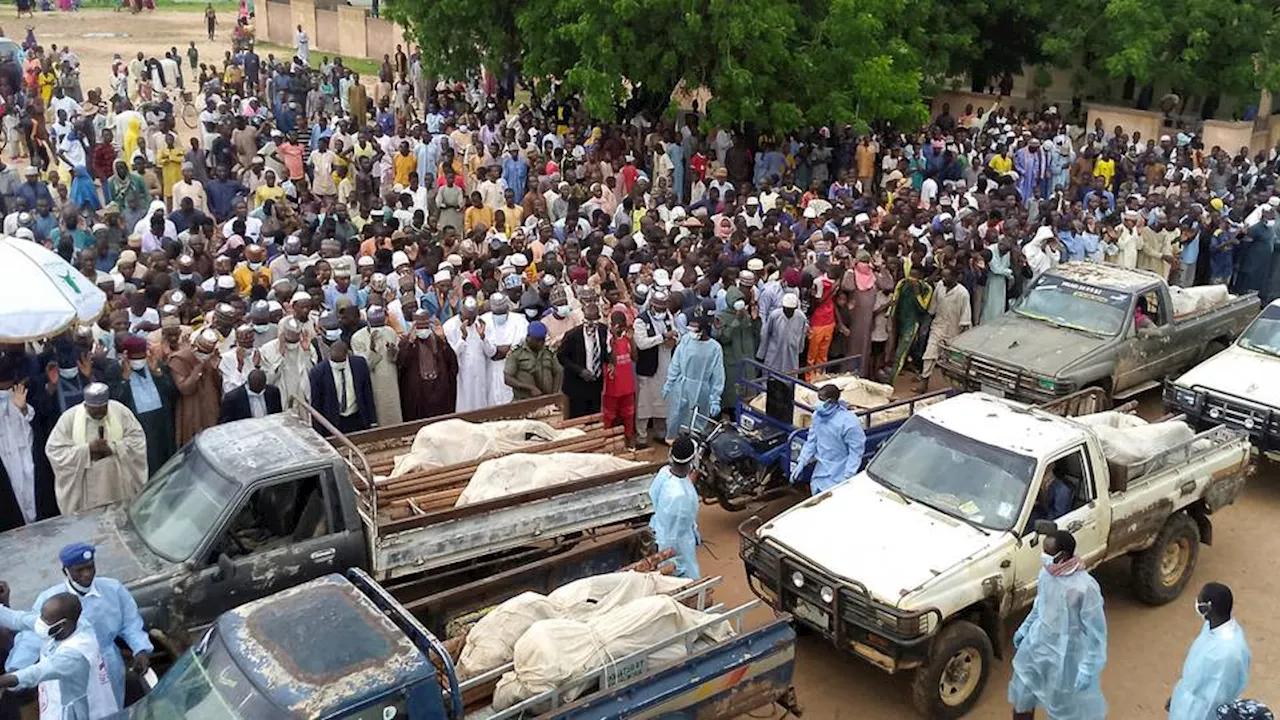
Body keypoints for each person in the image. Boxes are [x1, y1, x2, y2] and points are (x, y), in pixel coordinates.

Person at [8, 543, 151, 708]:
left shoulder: (113, 590)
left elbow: (130, 623)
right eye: (79, 570)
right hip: (69, 668)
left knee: (112, 706)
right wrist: (16, 672)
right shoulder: (51, 601)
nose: (87, 574)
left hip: (109, 665)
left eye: (90, 567)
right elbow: (31, 638)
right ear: (66, 571)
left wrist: (140, 649)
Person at [1009, 530, 1107, 720]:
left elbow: (1097, 634)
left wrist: (1088, 668)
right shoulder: (1047, 574)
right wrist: (1025, 627)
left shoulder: (1085, 588)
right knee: (1022, 695)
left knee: (1062, 709)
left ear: (1061, 556)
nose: (1043, 556)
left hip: (1066, 657)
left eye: (1047, 552)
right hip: (1037, 644)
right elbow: (1041, 604)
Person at [0, 592, 119, 720]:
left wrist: (3, 681)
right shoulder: (62, 625)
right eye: (41, 615)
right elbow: (18, 619)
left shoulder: (76, 653)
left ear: (63, 624)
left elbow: (35, 673)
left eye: (45, 619)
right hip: (55, 704)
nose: (40, 622)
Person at [44, 383, 147, 515]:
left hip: (118, 488)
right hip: (88, 497)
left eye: (102, 409)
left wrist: (113, 448)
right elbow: (54, 451)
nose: (99, 413)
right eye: (94, 410)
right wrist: (87, 451)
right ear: (86, 405)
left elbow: (137, 440)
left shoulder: (119, 411)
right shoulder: (69, 418)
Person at [1168, 582, 1251, 720]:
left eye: (1199, 601)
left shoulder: (1227, 654)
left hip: (1199, 713)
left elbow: (1214, 700)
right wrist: (1178, 699)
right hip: (1187, 704)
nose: (1196, 603)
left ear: (1208, 607)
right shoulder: (1212, 626)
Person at [791, 384, 866, 494]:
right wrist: (802, 461)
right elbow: (812, 441)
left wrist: (848, 474)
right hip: (821, 470)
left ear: (830, 401)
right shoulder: (817, 416)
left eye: (821, 399)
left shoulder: (849, 422)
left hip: (839, 472)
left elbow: (856, 452)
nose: (818, 403)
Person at [116, 336, 175, 476]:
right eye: (134, 358)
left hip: (160, 424)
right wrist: (124, 378)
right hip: (137, 426)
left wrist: (158, 373)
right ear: (126, 356)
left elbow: (172, 393)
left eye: (141, 357)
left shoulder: (156, 365)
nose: (138, 361)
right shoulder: (115, 371)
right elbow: (116, 400)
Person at [662, 311, 725, 442]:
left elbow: (718, 375)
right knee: (676, 417)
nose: (691, 333)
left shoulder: (715, 348)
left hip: (702, 390)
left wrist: (715, 398)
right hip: (682, 387)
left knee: (697, 425)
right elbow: (676, 363)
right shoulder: (686, 340)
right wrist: (669, 383)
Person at [648, 435, 701, 578]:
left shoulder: (664, 472)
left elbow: (652, 495)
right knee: (688, 577)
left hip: (657, 529)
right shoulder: (682, 496)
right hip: (676, 545)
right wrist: (671, 559)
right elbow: (674, 535)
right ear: (692, 460)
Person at [633, 289, 677, 447]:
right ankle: (641, 437)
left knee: (663, 402)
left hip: (665, 365)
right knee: (644, 404)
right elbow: (642, 343)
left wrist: (673, 339)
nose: (661, 311)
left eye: (663, 308)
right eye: (658, 308)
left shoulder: (668, 317)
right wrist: (662, 338)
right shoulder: (640, 320)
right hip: (648, 368)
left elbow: (674, 332)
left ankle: (660, 433)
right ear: (652, 305)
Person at [397, 309, 458, 420]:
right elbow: (401, 366)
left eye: (425, 326)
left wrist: (443, 340)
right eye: (419, 327)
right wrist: (410, 343)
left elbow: (452, 365)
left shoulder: (438, 339)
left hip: (438, 392)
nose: (423, 330)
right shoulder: (406, 342)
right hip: (417, 395)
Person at [919, 267, 971, 392]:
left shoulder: (962, 293)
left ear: (955, 277)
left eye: (947, 276)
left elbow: (965, 315)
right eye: (943, 276)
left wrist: (964, 335)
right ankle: (924, 382)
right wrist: (926, 325)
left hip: (954, 331)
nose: (944, 279)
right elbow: (933, 308)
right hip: (938, 326)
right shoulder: (939, 287)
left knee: (955, 361)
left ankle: (956, 388)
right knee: (929, 354)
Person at [557, 290, 608, 417]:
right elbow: (561, 356)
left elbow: (606, 353)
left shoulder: (603, 331)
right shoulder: (572, 335)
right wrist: (580, 371)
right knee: (578, 418)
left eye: (594, 320)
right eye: (588, 320)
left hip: (596, 384)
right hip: (576, 385)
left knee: (595, 416)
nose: (591, 324)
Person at [309, 340, 375, 434]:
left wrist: (373, 421)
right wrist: (318, 432)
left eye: (340, 362)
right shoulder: (318, 372)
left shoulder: (359, 365)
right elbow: (316, 404)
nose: (337, 365)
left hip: (358, 419)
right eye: (334, 362)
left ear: (347, 354)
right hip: (333, 423)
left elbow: (368, 394)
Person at [353, 306, 404, 426]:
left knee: (394, 415)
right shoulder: (358, 338)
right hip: (373, 383)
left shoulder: (390, 331)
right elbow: (363, 367)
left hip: (391, 383)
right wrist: (372, 350)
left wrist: (393, 351)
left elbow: (395, 359)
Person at [478, 293, 527, 407]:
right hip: (490, 369)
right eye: (496, 313)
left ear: (507, 308)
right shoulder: (483, 320)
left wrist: (503, 350)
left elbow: (520, 342)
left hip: (512, 368)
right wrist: (498, 349)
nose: (499, 315)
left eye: (502, 312)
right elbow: (488, 350)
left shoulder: (519, 320)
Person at [504, 321, 562, 400]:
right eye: (537, 340)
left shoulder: (548, 352)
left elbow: (558, 372)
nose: (540, 343)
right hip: (524, 400)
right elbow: (508, 378)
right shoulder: (517, 353)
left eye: (542, 340)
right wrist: (529, 388)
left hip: (547, 398)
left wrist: (555, 394)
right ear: (528, 337)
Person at [757, 292, 808, 372]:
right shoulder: (775, 315)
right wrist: (761, 354)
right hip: (775, 352)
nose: (788, 312)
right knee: (771, 375)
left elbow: (802, 335)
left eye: (790, 310)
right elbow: (766, 334)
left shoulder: (801, 317)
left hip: (791, 353)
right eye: (786, 309)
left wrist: (800, 350)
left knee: (789, 375)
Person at [218, 369, 282, 423]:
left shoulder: (273, 392)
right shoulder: (232, 398)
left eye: (260, 388)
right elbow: (225, 424)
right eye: (256, 387)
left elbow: (278, 415)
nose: (258, 391)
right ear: (248, 383)